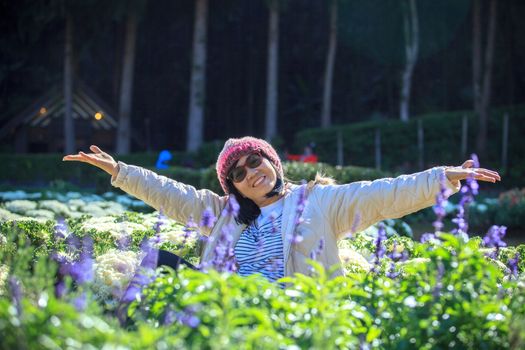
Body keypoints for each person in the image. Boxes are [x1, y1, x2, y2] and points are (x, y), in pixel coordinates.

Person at [63, 136, 501, 281]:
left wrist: (443, 177)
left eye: (256, 161)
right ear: (233, 187)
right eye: (238, 172)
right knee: (151, 260)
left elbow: (384, 193)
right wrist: (118, 170)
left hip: (291, 311)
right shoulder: (221, 214)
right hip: (228, 305)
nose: (251, 172)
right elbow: (168, 193)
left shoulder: (319, 201)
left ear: (272, 162)